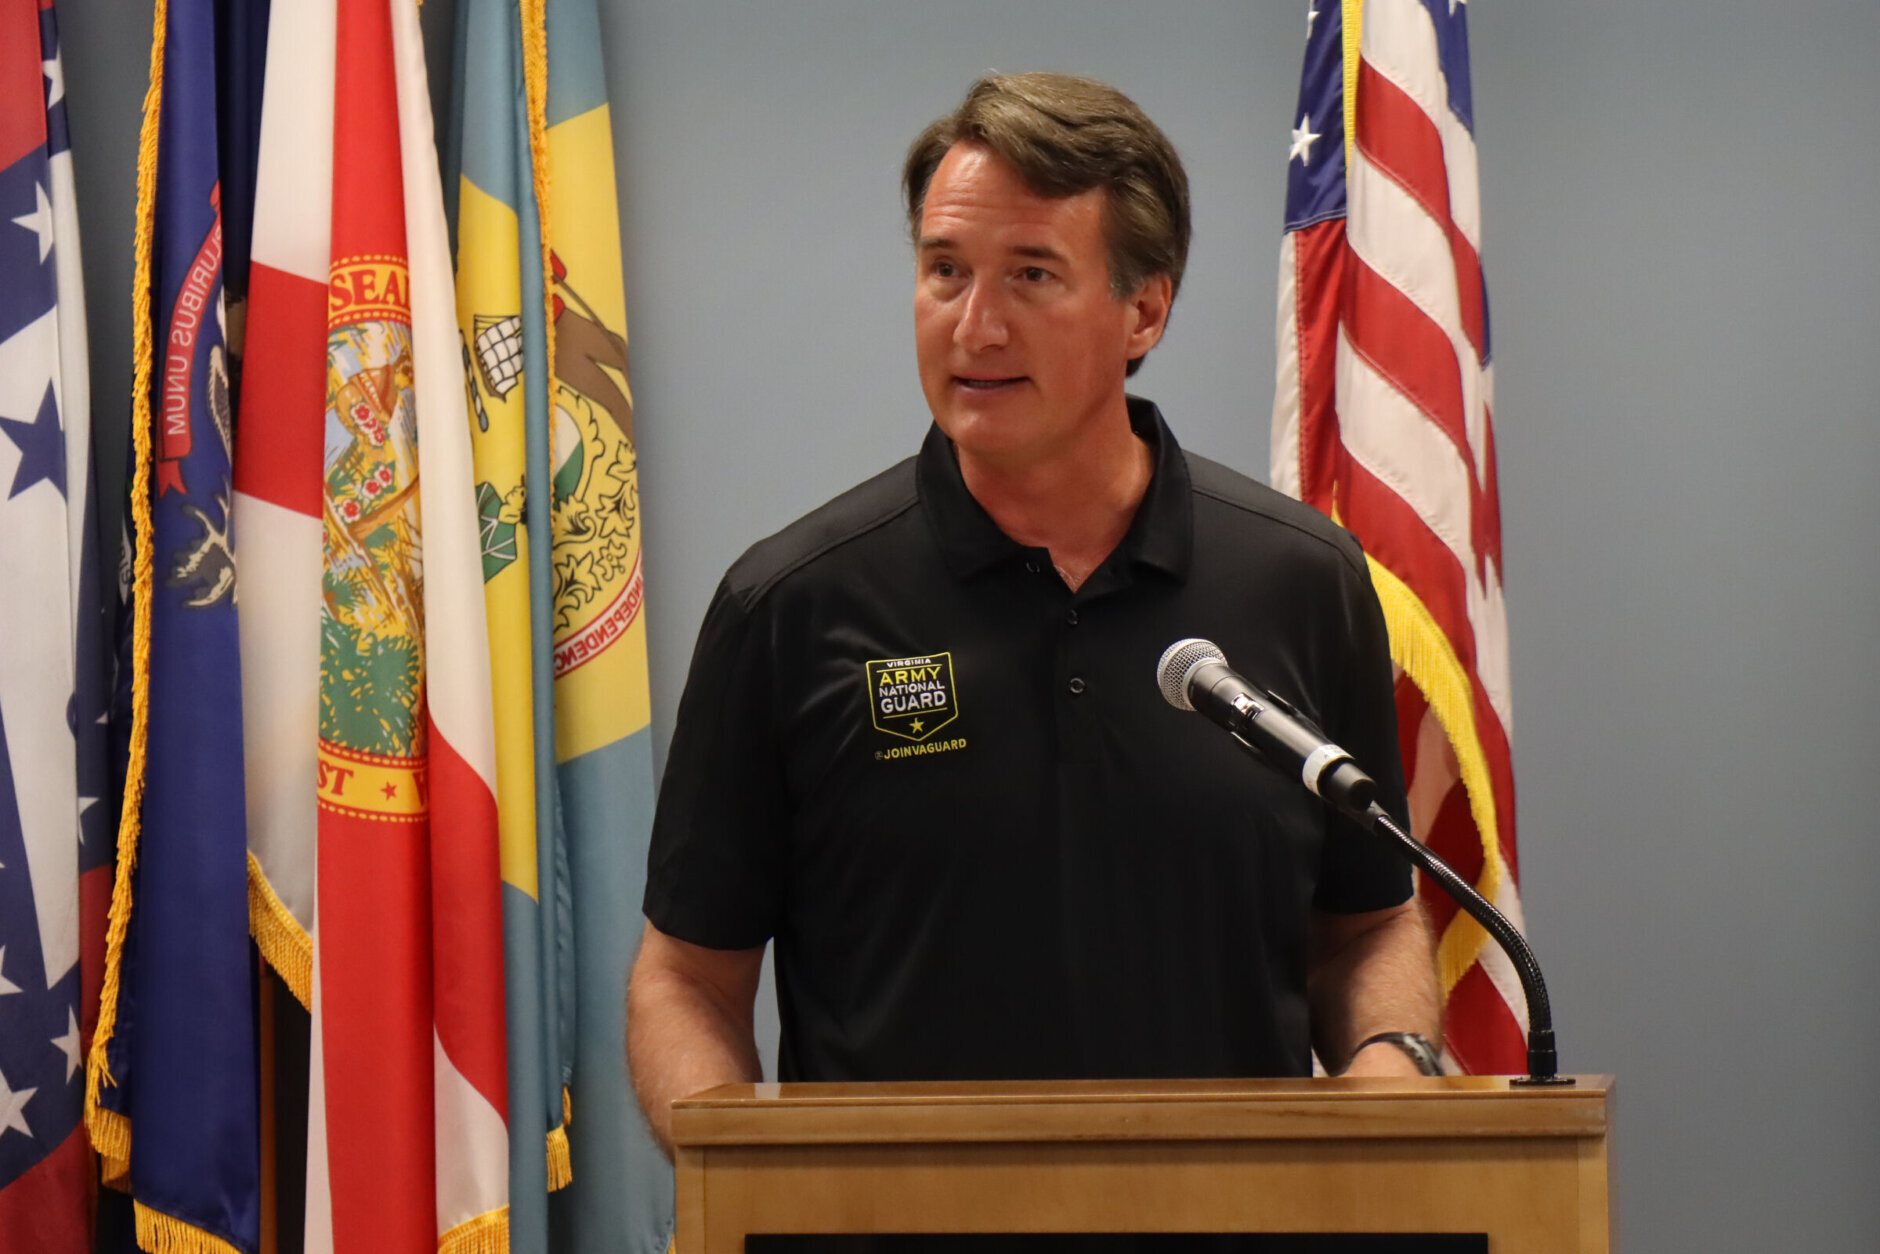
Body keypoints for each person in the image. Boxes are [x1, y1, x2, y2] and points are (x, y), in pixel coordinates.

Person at [628, 72, 1440, 1157]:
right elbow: (686, 980)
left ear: (1144, 309)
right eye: (944, 271)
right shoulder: (788, 606)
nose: (975, 325)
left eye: (1031, 275)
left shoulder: (1301, 582)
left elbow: (1366, 922)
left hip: (1232, 1220)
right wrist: (736, 1181)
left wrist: (1389, 1063)